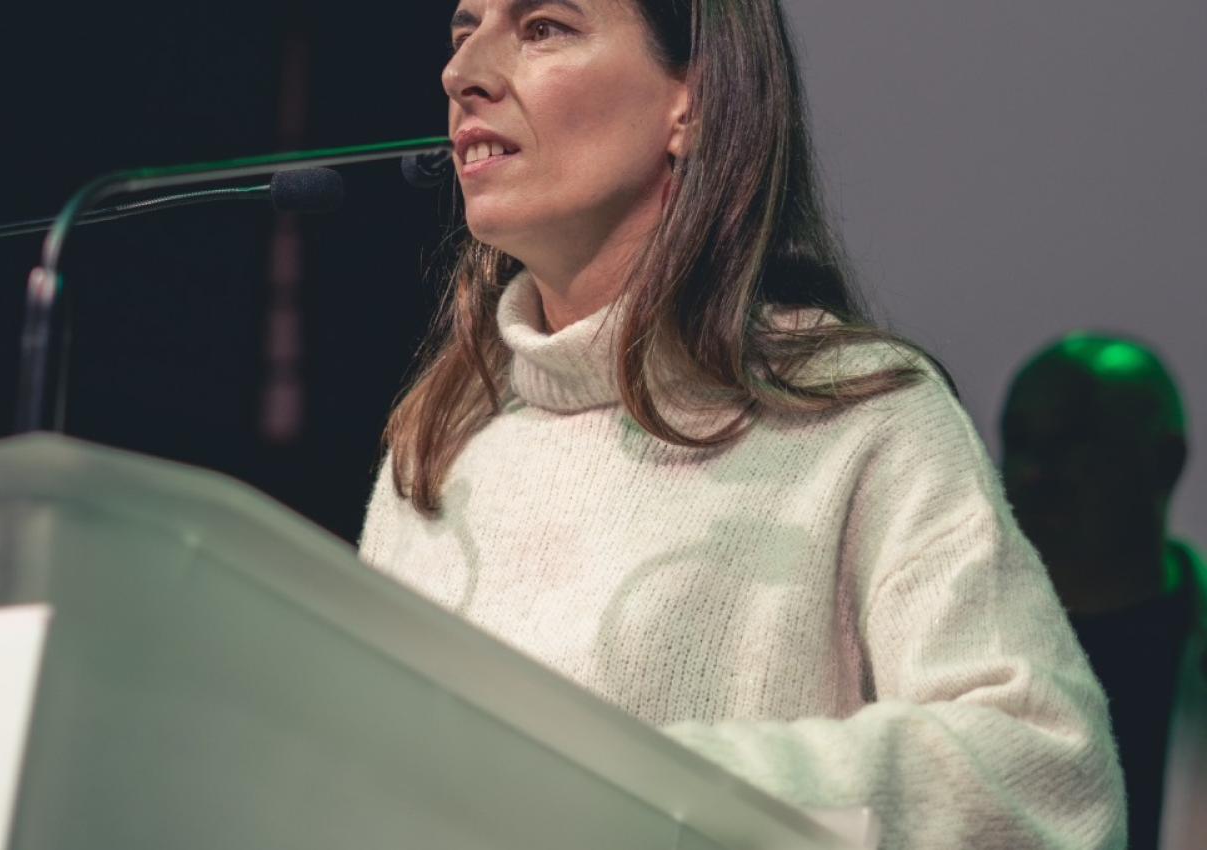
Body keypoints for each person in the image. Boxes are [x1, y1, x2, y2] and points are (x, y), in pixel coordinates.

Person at [357, 2, 1125, 848]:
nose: (460, 73)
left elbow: (1047, 776)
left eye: (544, 27)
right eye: (463, 32)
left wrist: (662, 791)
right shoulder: (438, 445)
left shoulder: (859, 421)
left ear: (692, 100)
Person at [1001, 333, 1202, 850]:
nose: (1037, 472)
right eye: (1020, 441)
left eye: (1076, 441)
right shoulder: (959, 651)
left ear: (1165, 461)